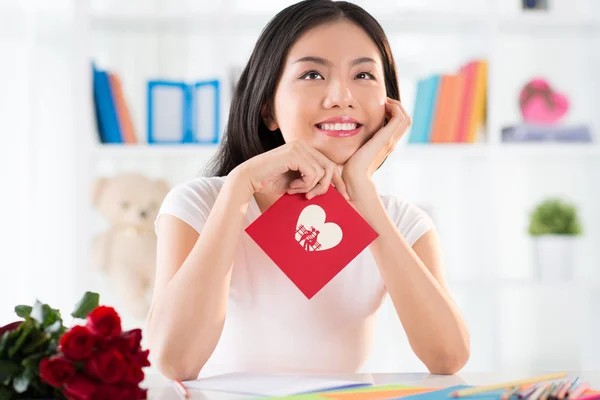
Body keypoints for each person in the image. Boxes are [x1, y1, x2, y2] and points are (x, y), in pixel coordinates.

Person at [146, 0, 470, 381]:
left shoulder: (403, 221)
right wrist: (238, 188)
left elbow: (447, 358)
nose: (341, 97)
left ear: (388, 108)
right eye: (313, 75)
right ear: (267, 108)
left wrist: (360, 189)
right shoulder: (199, 204)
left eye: (363, 76)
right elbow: (173, 362)